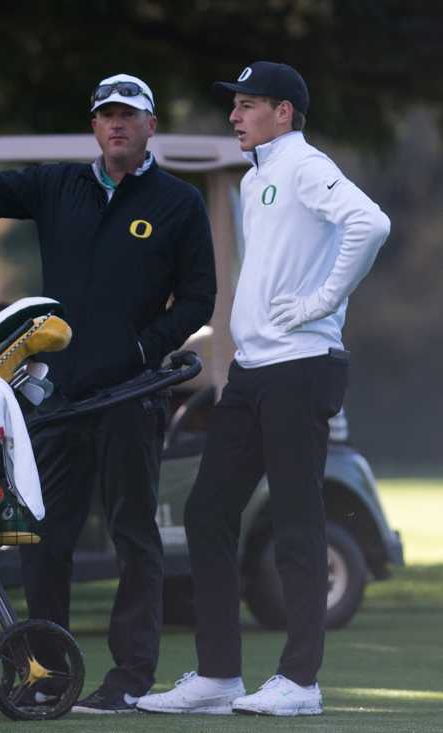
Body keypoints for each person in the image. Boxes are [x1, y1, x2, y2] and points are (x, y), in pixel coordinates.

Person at [0, 73, 216, 713]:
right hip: (61, 397)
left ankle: (129, 679)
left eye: (128, 116)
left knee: (134, 534)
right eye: (106, 115)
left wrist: (141, 348)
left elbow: (197, 298)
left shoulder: (177, 203)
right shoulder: (59, 185)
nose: (117, 125)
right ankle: (48, 673)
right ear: (95, 125)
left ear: (149, 127)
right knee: (47, 537)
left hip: (132, 395)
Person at [137, 61, 390, 717]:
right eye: (236, 104)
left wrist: (322, 300)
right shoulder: (258, 179)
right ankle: (219, 675)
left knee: (299, 521)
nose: (234, 115)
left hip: (301, 367)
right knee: (207, 511)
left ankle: (300, 683)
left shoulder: (304, 164)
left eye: (248, 105)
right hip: (253, 371)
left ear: (284, 112)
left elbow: (372, 223)